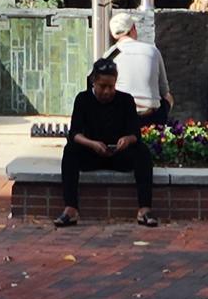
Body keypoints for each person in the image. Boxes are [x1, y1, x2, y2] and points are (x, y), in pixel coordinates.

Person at [54, 57, 157, 228]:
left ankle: (144, 209)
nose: (107, 91)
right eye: (103, 86)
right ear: (94, 82)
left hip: (118, 154)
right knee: (71, 151)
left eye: (111, 86)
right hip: (92, 153)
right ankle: (71, 209)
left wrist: (126, 140)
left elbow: (135, 134)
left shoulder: (125, 100)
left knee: (142, 152)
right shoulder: (83, 99)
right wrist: (92, 144)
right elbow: (75, 134)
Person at [106, 11, 173, 126]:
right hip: (151, 117)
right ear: (133, 29)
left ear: (113, 34)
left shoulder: (109, 55)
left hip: (121, 117)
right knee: (169, 98)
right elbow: (165, 92)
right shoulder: (152, 50)